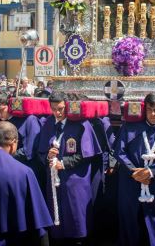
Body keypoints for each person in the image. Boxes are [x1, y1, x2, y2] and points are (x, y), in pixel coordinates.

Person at [113, 93, 155, 246]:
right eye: (149, 110)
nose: (153, 114)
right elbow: (119, 152)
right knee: (130, 219)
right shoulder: (130, 127)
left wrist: (151, 172)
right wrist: (134, 172)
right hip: (131, 180)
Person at [38, 92, 101, 244]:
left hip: (75, 178)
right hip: (54, 178)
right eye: (53, 109)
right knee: (57, 216)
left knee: (75, 214)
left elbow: (87, 154)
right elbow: (39, 152)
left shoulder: (81, 124)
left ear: (67, 106)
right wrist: (48, 156)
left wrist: (64, 163)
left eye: (60, 109)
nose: (57, 113)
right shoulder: (48, 123)